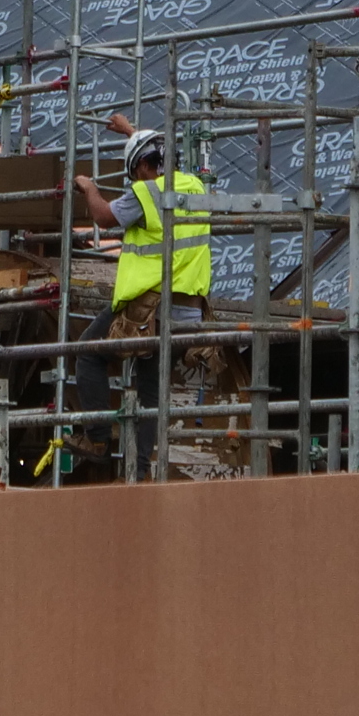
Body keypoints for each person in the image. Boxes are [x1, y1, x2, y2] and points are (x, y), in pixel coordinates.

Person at [102, 129, 241, 475]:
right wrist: (131, 131)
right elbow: (158, 148)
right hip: (191, 313)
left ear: (145, 166)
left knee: (88, 356)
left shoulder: (148, 190)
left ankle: (98, 440)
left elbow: (104, 217)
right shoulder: (194, 186)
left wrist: (87, 186)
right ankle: (141, 468)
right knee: (150, 388)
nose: (134, 181)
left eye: (135, 172)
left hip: (153, 309)